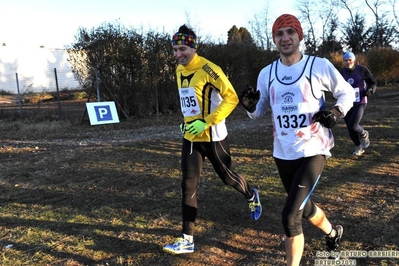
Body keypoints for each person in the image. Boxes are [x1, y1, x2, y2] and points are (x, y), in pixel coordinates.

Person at [239, 14, 355, 266]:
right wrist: (249, 106)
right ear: (274, 40)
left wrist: (336, 112)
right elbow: (258, 112)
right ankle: (333, 232)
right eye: (279, 34)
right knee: (306, 208)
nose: (285, 38)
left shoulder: (318, 65)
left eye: (290, 32)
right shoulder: (267, 73)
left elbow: (346, 92)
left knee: (291, 216)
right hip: (283, 154)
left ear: (299, 36)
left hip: (313, 150)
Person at [163, 24, 262, 255]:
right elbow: (189, 100)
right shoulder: (179, 71)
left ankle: (251, 194)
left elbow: (231, 98)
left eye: (182, 49)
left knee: (228, 178)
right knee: (187, 185)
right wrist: (186, 120)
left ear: (193, 47)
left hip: (214, 136)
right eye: (175, 49)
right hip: (190, 137)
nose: (178, 54)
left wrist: (206, 121)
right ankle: (187, 239)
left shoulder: (209, 69)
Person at [339, 52, 377, 156]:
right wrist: (336, 94)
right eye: (345, 60)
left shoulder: (362, 69)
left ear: (354, 60)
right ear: (343, 61)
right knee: (349, 126)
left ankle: (364, 134)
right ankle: (358, 147)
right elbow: (336, 86)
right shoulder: (341, 72)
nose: (348, 62)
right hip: (346, 102)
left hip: (360, 101)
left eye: (350, 60)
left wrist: (370, 90)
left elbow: (373, 82)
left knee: (354, 125)